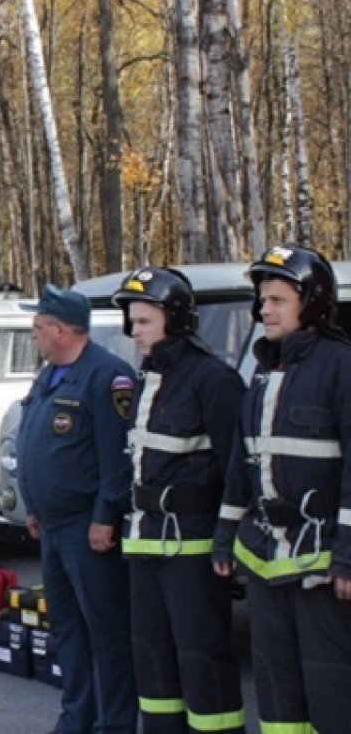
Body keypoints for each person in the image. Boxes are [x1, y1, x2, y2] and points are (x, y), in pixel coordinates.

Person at [214, 245, 351, 733]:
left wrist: (347, 556)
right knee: (275, 690)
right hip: (262, 559)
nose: (264, 310)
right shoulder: (264, 372)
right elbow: (240, 463)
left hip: (319, 567)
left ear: (311, 303)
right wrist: (224, 535)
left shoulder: (341, 367)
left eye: (276, 300)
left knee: (332, 691)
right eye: (262, 300)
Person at [112, 268, 245, 733]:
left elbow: (237, 468)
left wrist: (228, 538)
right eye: (131, 322)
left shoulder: (214, 380)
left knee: (201, 660)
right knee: (153, 664)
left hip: (193, 549)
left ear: (175, 319)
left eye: (144, 321)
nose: (134, 332)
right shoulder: (148, 379)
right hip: (145, 546)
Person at [16, 285, 138, 733]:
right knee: (67, 630)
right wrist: (32, 506)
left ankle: (116, 723)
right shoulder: (49, 375)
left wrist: (106, 515)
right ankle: (77, 718)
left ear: (62, 330)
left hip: (87, 528)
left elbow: (117, 455)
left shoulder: (109, 376)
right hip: (51, 525)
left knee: (105, 632)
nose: (35, 336)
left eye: (39, 329)